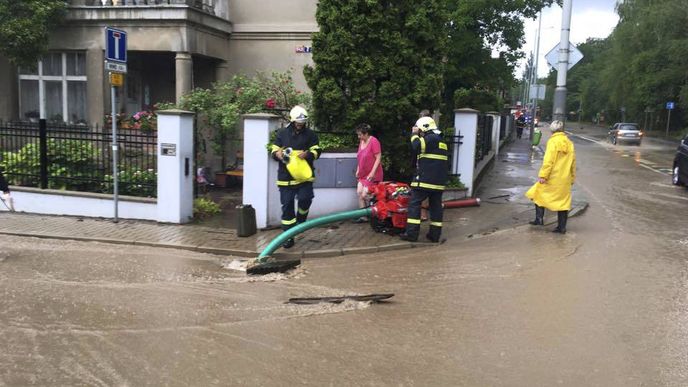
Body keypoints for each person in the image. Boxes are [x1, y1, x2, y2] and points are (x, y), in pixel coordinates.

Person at [270, 106, 321, 248]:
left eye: (302, 123)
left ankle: (301, 218)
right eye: (298, 123)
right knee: (287, 207)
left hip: (304, 177)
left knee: (306, 199)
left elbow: (317, 151)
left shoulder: (311, 135)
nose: (300, 125)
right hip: (285, 178)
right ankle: (288, 237)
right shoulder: (282, 134)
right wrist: (278, 154)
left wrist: (308, 155)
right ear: (292, 121)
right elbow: (274, 151)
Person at [399, 116, 448, 243]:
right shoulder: (441, 141)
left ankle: (411, 234)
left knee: (414, 204)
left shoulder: (431, 138)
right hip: (438, 183)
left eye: (420, 129)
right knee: (436, 207)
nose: (419, 132)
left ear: (425, 128)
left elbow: (416, 146)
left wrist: (414, 134)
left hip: (425, 181)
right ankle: (434, 235)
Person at [525, 120, 576, 234]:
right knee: (563, 202)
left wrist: (543, 175)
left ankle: (539, 219)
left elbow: (548, 161)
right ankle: (562, 227)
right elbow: (573, 162)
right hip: (564, 178)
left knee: (537, 194)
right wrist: (572, 178)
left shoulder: (553, 142)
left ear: (552, 130)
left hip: (552, 177)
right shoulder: (569, 143)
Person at [353, 123, 383, 223]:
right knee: (359, 192)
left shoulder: (374, 141)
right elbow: (360, 157)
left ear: (366, 134)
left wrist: (372, 172)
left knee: (365, 194)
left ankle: (376, 212)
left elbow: (378, 157)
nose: (359, 137)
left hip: (372, 174)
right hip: (363, 174)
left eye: (360, 135)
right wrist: (358, 169)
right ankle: (363, 216)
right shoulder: (361, 142)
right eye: (358, 135)